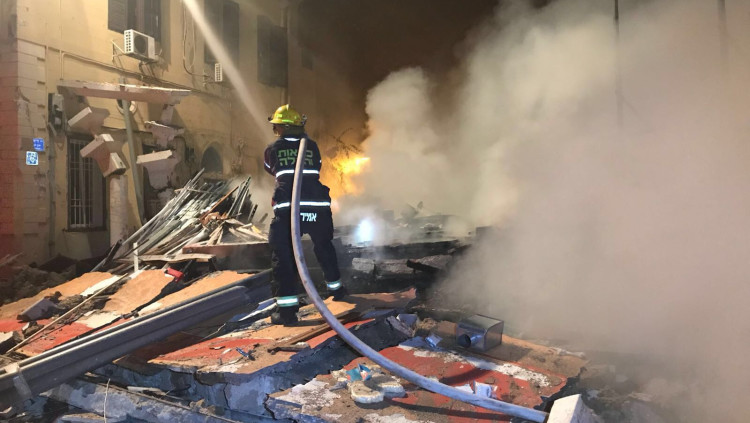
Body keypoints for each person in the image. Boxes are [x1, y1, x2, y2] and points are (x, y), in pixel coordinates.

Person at [263, 104, 346, 325]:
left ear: (283, 127)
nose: (275, 129)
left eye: (277, 126)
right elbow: (317, 167)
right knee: (324, 247)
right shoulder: (312, 146)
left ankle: (287, 312)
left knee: (283, 257)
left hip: (290, 210)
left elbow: (270, 168)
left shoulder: (273, 149)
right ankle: (337, 290)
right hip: (317, 208)